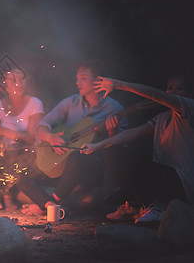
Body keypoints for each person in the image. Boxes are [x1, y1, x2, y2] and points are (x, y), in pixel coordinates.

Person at [81, 74, 193, 224]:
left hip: (182, 184)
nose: (173, 92)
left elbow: (155, 94)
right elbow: (132, 132)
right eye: (170, 88)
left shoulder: (189, 108)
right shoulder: (163, 117)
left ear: (190, 94)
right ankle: (139, 207)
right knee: (112, 193)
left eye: (179, 89)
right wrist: (97, 145)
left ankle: (154, 208)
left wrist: (118, 84)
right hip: (163, 179)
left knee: (120, 158)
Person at [21, 60, 127, 215]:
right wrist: (51, 138)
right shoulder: (71, 102)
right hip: (62, 169)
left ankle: (48, 204)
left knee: (78, 158)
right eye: (77, 79)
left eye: (83, 78)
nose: (78, 83)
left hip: (89, 171)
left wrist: (112, 132)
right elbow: (42, 125)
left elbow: (121, 152)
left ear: (98, 81)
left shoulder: (115, 109)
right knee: (21, 173)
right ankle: (50, 205)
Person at [0, 68, 45, 211]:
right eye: (13, 81)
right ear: (6, 85)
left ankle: (8, 198)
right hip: (4, 152)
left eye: (21, 79)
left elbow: (31, 139)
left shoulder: (34, 104)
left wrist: (4, 132)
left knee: (12, 152)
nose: (18, 84)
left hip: (27, 152)